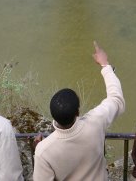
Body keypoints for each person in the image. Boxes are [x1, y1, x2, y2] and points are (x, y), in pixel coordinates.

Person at [32, 41, 126, 181]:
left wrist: (39, 151)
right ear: (77, 112)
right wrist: (105, 65)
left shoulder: (44, 151)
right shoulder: (96, 122)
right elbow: (116, 99)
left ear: (54, 116)